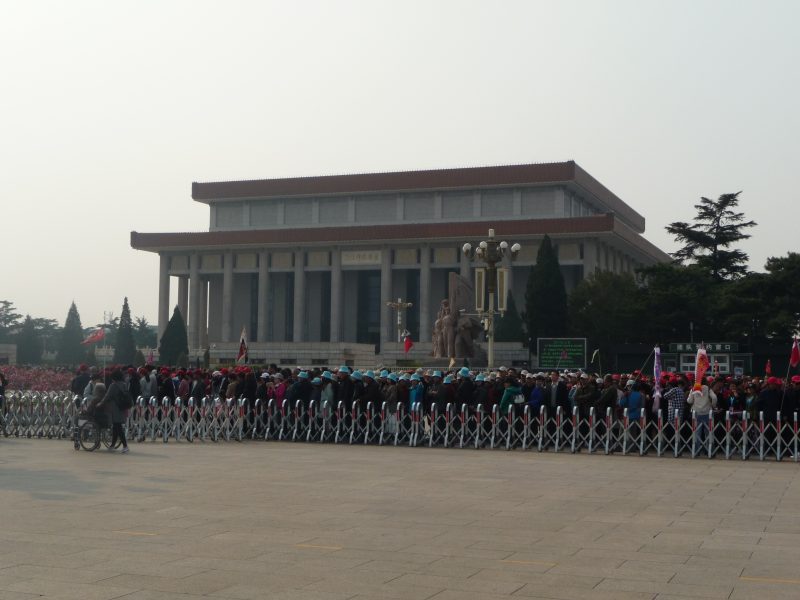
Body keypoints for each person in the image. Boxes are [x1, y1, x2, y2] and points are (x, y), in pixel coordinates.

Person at [97, 369, 130, 453]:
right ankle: (112, 445)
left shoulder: (113, 385)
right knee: (116, 427)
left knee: (118, 428)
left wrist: (100, 403)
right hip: (123, 407)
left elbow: (107, 396)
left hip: (116, 408)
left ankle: (125, 446)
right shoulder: (124, 384)